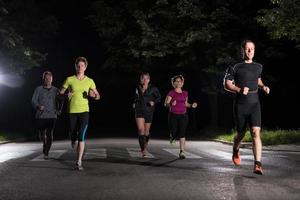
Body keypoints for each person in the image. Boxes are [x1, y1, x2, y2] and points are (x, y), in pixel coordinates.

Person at [224, 40, 270, 175]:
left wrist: (263, 86)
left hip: (255, 104)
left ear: (254, 51)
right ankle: (236, 150)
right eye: (247, 49)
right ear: (242, 51)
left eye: (252, 49)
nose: (250, 51)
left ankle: (258, 164)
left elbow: (258, 80)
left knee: (256, 133)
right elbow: (227, 84)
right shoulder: (235, 67)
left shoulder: (258, 67)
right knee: (241, 134)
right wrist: (239, 89)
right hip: (240, 105)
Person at [59, 57, 100, 170]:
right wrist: (65, 95)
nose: (80, 68)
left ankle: (79, 161)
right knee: (73, 133)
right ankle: (73, 139)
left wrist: (94, 95)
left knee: (81, 135)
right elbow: (60, 93)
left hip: (84, 111)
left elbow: (98, 96)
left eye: (82, 66)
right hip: (72, 111)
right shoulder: (69, 79)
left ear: (85, 67)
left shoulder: (90, 81)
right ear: (75, 67)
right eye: (78, 65)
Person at [164, 75, 197, 159]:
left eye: (180, 81)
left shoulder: (185, 93)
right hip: (173, 115)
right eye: (177, 81)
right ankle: (172, 136)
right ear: (173, 83)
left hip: (183, 115)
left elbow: (186, 104)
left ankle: (182, 152)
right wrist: (171, 104)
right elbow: (165, 104)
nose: (178, 83)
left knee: (182, 133)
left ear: (182, 83)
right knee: (174, 131)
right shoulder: (171, 92)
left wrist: (191, 105)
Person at [32, 71, 60, 160]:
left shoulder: (56, 90)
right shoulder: (38, 89)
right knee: (41, 135)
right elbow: (33, 100)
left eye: (49, 78)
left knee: (49, 134)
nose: (48, 80)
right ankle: (44, 143)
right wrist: (38, 106)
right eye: (46, 78)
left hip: (52, 115)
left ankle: (46, 152)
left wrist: (68, 95)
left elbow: (61, 99)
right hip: (41, 116)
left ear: (52, 79)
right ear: (43, 79)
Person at [133, 72, 161, 157]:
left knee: (146, 132)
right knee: (141, 130)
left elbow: (159, 97)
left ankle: (145, 145)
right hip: (139, 110)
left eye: (146, 78)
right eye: (143, 78)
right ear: (140, 79)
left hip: (149, 111)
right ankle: (143, 150)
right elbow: (135, 98)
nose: (144, 80)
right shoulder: (137, 87)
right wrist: (134, 102)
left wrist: (154, 102)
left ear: (149, 80)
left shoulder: (153, 88)